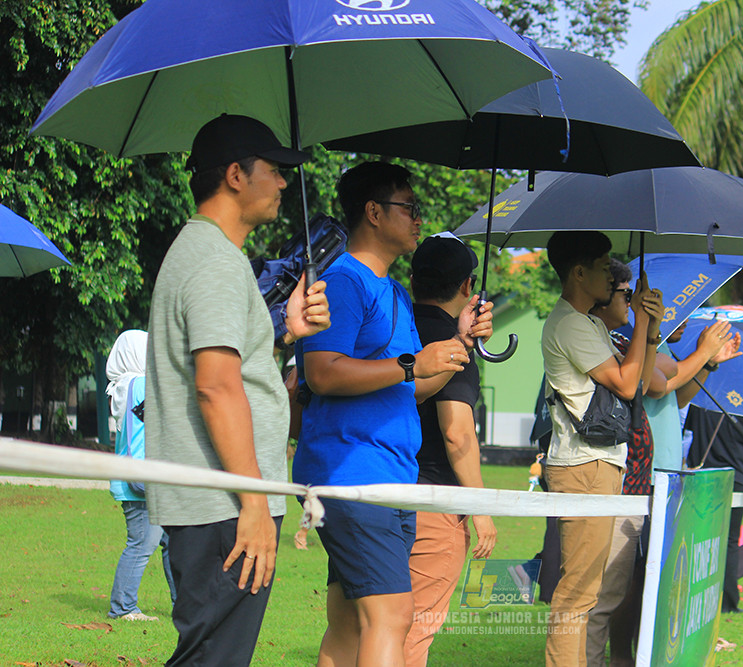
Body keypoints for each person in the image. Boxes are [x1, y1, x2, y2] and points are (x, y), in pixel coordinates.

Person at [145, 113, 330, 666]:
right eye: (274, 171)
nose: (282, 184)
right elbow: (217, 389)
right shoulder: (215, 262)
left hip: (219, 504)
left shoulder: (208, 255)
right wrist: (253, 502)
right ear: (234, 175)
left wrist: (286, 333)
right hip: (224, 507)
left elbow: (234, 369)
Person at [293, 162, 493, 667]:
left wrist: (459, 344)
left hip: (391, 478)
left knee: (348, 623)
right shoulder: (343, 282)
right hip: (355, 475)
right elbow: (322, 372)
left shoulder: (396, 294)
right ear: (374, 212)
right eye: (410, 207)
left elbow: (412, 390)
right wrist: (410, 363)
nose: (419, 218)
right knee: (392, 618)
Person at [584, 263, 740, 667]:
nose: (683, 318)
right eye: (677, 309)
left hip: (666, 472)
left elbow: (675, 394)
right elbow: (656, 383)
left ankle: (629, 653)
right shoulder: (623, 336)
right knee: (621, 578)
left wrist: (705, 362)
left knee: (647, 576)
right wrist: (699, 354)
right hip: (637, 474)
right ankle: (616, 654)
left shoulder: (662, 345)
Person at [540, 231, 663, 667]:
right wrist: (643, 321)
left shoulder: (588, 322)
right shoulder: (571, 323)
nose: (612, 278)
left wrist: (649, 331)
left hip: (599, 463)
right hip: (584, 466)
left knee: (585, 593)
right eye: (604, 267)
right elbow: (629, 384)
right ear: (578, 272)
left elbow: (638, 387)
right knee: (576, 595)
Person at [404, 233, 498, 666]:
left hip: (380, 485)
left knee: (361, 626)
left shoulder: (395, 322)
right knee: (414, 630)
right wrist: (478, 506)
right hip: (433, 501)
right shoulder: (450, 341)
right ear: (468, 288)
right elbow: (457, 432)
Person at [105, 329, 176, 622]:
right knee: (142, 542)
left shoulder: (124, 385)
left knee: (171, 540)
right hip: (141, 482)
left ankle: (184, 603)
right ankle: (123, 607)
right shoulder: (138, 384)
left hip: (136, 478)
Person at [685, 406, 743, 614]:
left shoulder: (701, 401)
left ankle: (695, 599)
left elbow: (691, 431)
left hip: (701, 476)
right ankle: (728, 602)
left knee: (700, 539)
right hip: (734, 477)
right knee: (729, 540)